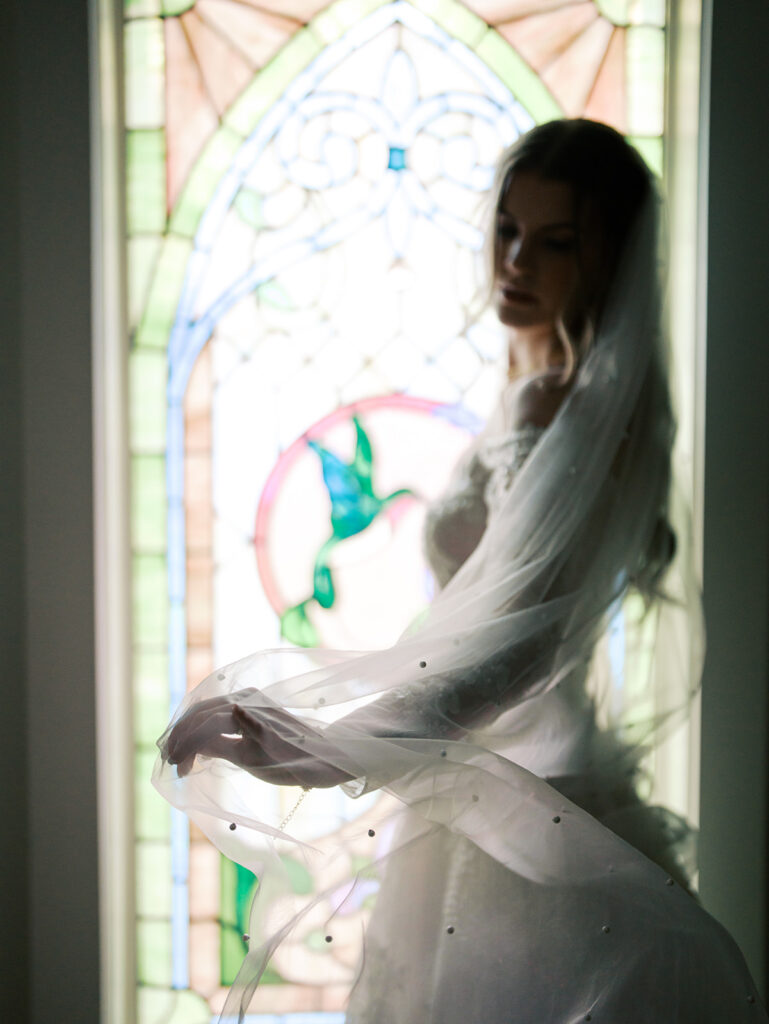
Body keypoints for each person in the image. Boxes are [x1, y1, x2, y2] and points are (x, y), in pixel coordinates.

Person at [155, 119, 766, 1022]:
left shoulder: (576, 409)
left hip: (533, 817)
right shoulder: (543, 391)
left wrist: (324, 746)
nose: (516, 261)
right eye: (507, 230)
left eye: (555, 242)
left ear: (607, 262)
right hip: (488, 797)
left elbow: (515, 650)